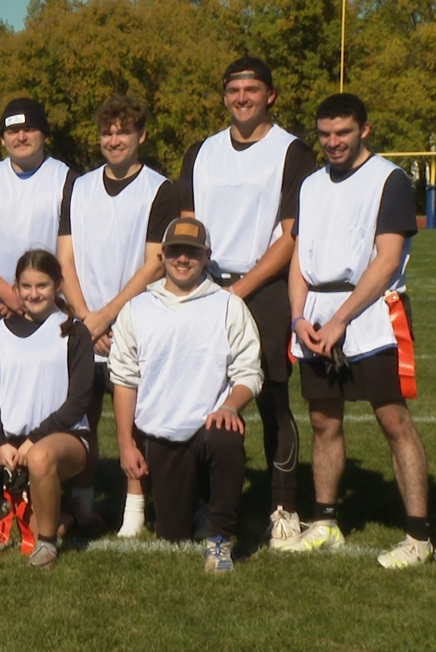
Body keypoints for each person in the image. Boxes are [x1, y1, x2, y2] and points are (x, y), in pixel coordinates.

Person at [284, 93, 432, 568]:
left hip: (369, 313)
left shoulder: (387, 179)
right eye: (325, 134)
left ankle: (418, 536)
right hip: (316, 315)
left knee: (392, 420)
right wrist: (299, 318)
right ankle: (326, 521)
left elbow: (387, 259)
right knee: (324, 421)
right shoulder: (309, 185)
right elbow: (298, 258)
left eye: (343, 132)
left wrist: (343, 318)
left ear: (363, 130)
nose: (333, 142)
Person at [177, 57, 316, 546]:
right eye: (233, 89)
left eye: (252, 89)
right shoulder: (202, 151)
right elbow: (188, 225)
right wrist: (202, 284)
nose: (242, 97)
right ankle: (207, 503)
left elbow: (289, 237)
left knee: (273, 398)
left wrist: (242, 288)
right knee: (203, 396)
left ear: (270, 95)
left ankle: (284, 507)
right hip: (207, 285)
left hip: (265, 287)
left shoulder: (292, 152)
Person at [109, 218, 263, 573]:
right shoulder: (138, 308)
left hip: (209, 426)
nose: (183, 259)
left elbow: (249, 370)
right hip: (163, 435)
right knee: (173, 535)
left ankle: (220, 540)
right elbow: (124, 380)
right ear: (162, 255)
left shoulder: (228, 305)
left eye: (192, 252)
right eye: (175, 251)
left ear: (206, 256)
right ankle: (197, 504)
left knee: (227, 436)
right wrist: (126, 445)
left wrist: (229, 405)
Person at [57, 95, 179, 536]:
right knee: (80, 418)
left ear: (141, 136)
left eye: (123, 131)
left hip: (133, 323)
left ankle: (135, 508)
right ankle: (83, 504)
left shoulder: (161, 190)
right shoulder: (80, 186)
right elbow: (64, 258)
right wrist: (86, 317)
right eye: (107, 132)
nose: (114, 139)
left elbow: (154, 264)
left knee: (137, 422)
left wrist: (108, 318)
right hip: (84, 324)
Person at [0, 97, 78, 492]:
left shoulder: (66, 179)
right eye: (12, 130)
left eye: (29, 129)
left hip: (50, 310)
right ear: (3, 137)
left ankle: (51, 487)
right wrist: (8, 293)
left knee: (49, 398)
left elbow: (71, 246)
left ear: (45, 133)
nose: (21, 136)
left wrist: (40, 297)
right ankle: (0, 490)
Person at [0, 250, 94, 569]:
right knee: (39, 514)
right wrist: (0, 443)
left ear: (57, 285)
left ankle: (46, 547)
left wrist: (34, 439)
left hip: (64, 438)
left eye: (42, 285)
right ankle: (65, 516)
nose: (34, 293)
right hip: (12, 447)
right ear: (15, 286)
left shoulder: (73, 330)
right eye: (26, 286)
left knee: (41, 457)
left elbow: (79, 400)